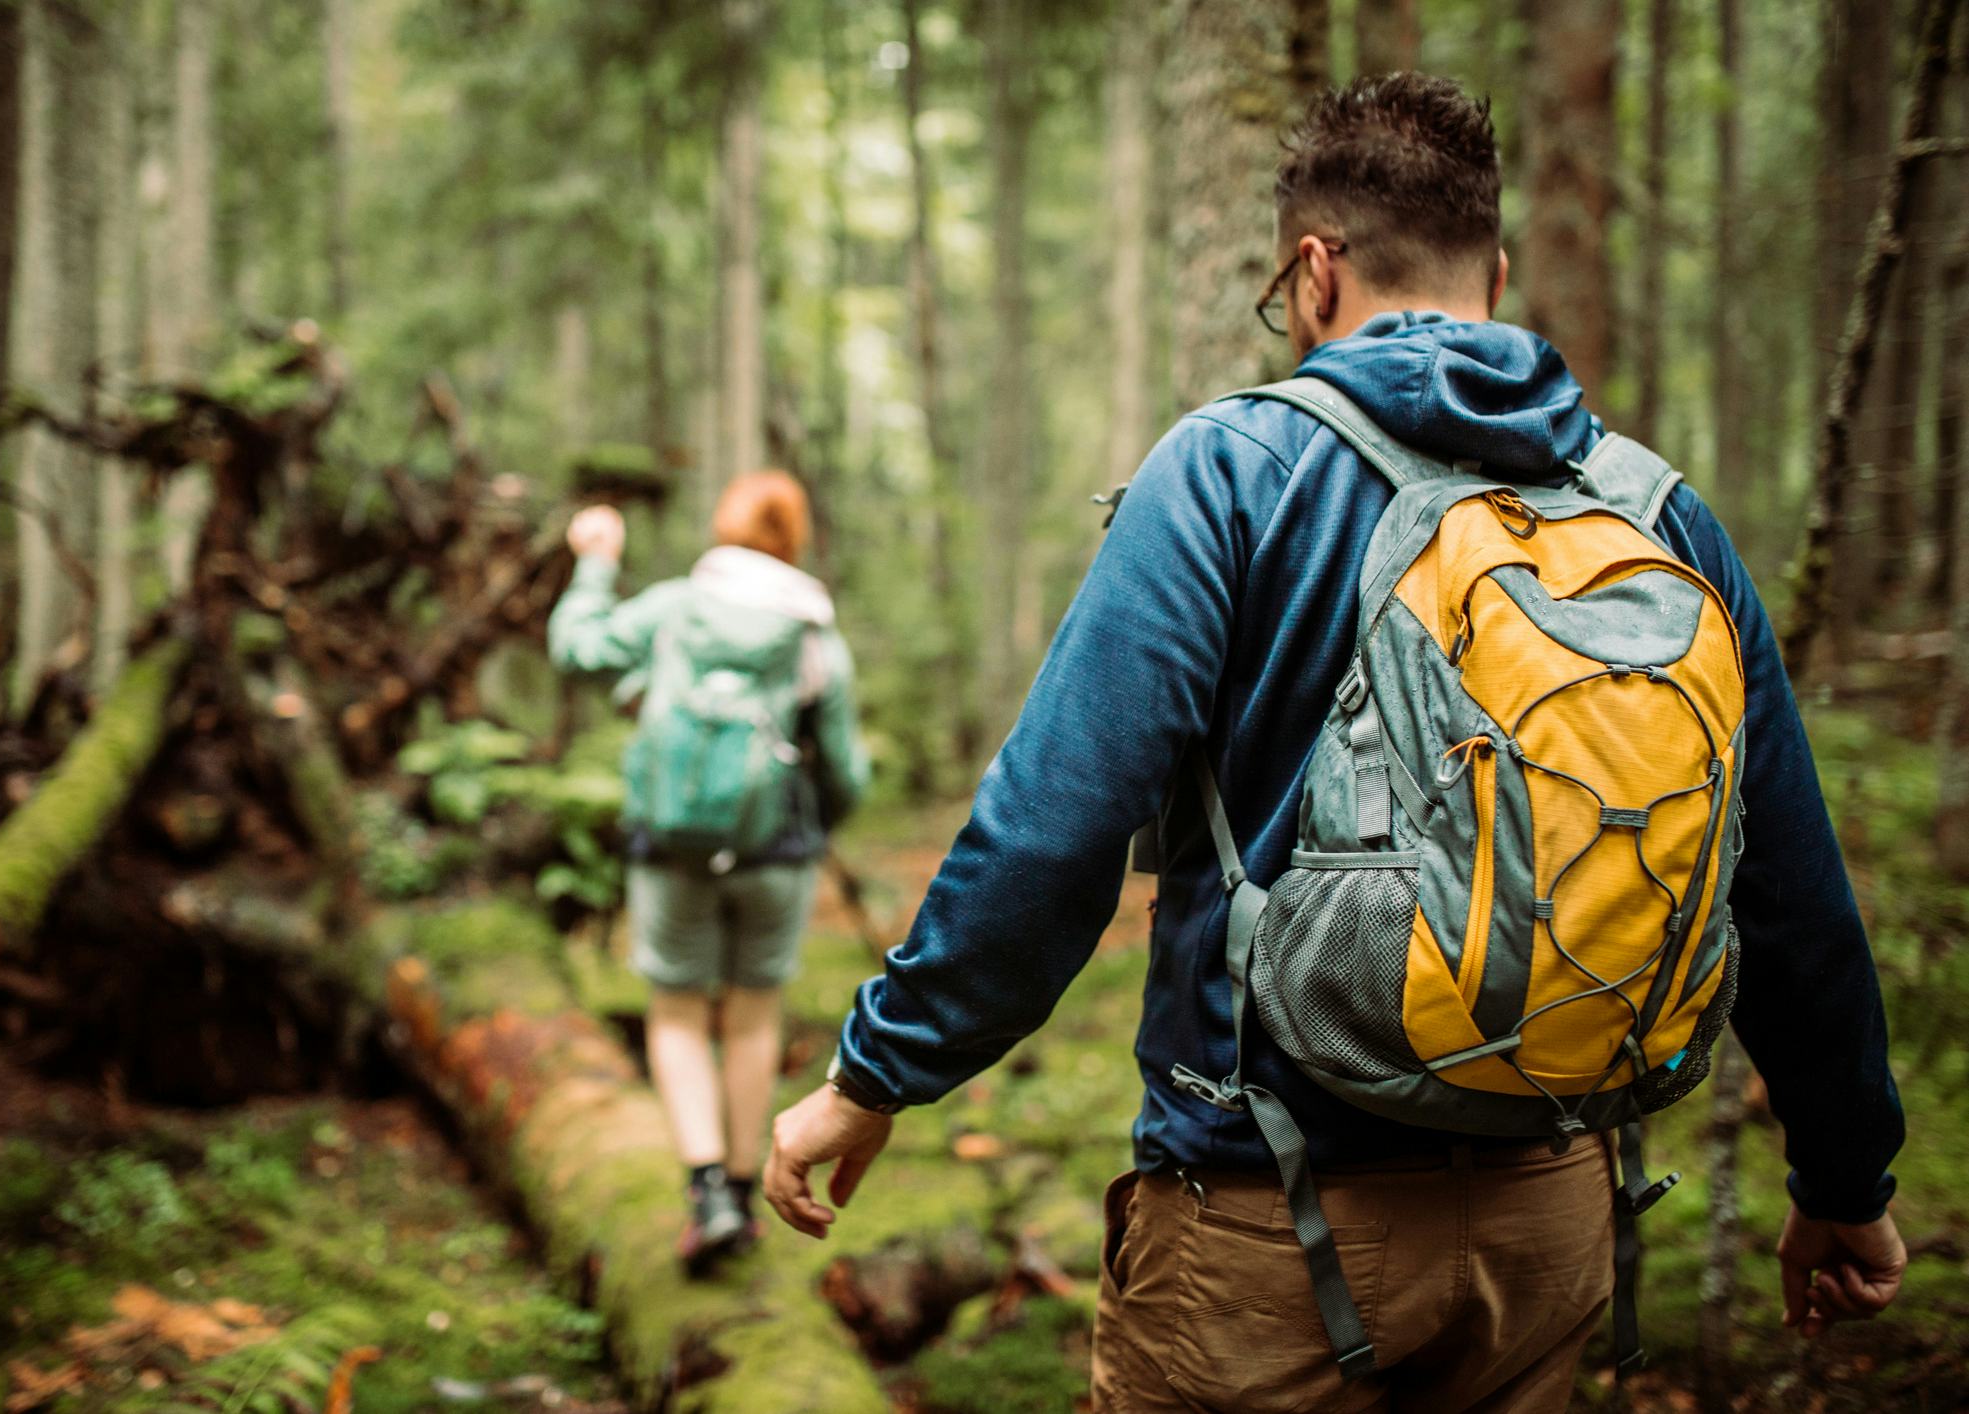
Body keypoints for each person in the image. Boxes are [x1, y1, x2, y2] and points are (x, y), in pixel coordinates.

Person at [765, 73, 1906, 1411]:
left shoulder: (1233, 470)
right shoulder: (1652, 508)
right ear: (1493, 265)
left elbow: (1055, 821)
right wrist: (1843, 1179)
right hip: (1552, 1219)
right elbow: (1782, 882)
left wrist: (875, 1074)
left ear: (1313, 272)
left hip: (1272, 1229)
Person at [551, 470, 867, 1275]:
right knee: (753, 1018)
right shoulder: (810, 634)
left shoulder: (673, 608)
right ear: (793, 539)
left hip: (672, 850)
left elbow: (577, 649)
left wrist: (593, 559)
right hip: (775, 856)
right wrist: (813, 826)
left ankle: (706, 1197)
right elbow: (844, 771)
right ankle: (743, 1181)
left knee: (679, 1012)